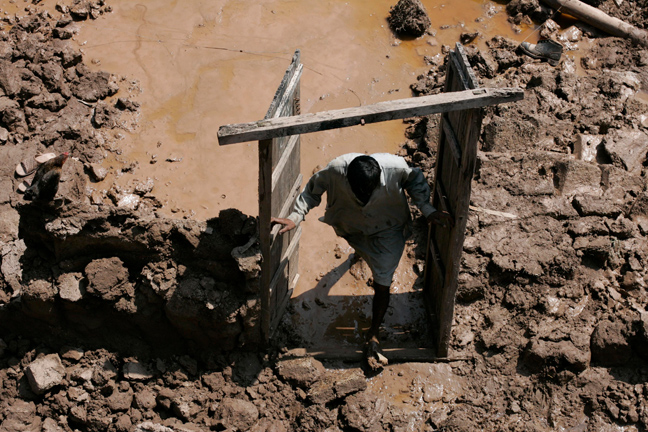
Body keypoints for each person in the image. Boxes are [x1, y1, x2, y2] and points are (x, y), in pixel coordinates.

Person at [271, 152, 453, 370]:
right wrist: (295, 217)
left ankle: (373, 334)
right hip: (352, 222)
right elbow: (312, 190)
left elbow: (416, 180)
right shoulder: (336, 169)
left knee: (383, 280)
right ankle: (361, 256)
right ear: (347, 179)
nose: (365, 195)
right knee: (359, 245)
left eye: (370, 191)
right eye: (359, 191)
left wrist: (427, 209)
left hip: (388, 227)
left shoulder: (396, 168)